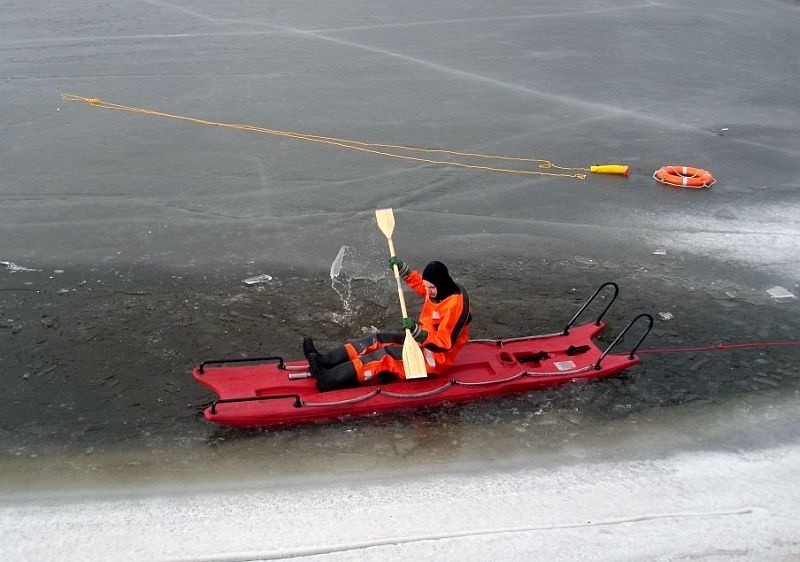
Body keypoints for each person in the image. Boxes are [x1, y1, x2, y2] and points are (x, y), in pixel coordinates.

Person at [304, 258, 471, 391]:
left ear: (441, 284)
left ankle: (330, 379)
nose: (427, 291)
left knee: (385, 356)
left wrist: (418, 332)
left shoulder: (455, 305)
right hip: (421, 342)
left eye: (431, 288)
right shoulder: (438, 288)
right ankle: (326, 360)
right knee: (377, 339)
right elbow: (422, 284)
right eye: (428, 287)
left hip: (435, 357)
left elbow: (444, 342)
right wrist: (404, 271)